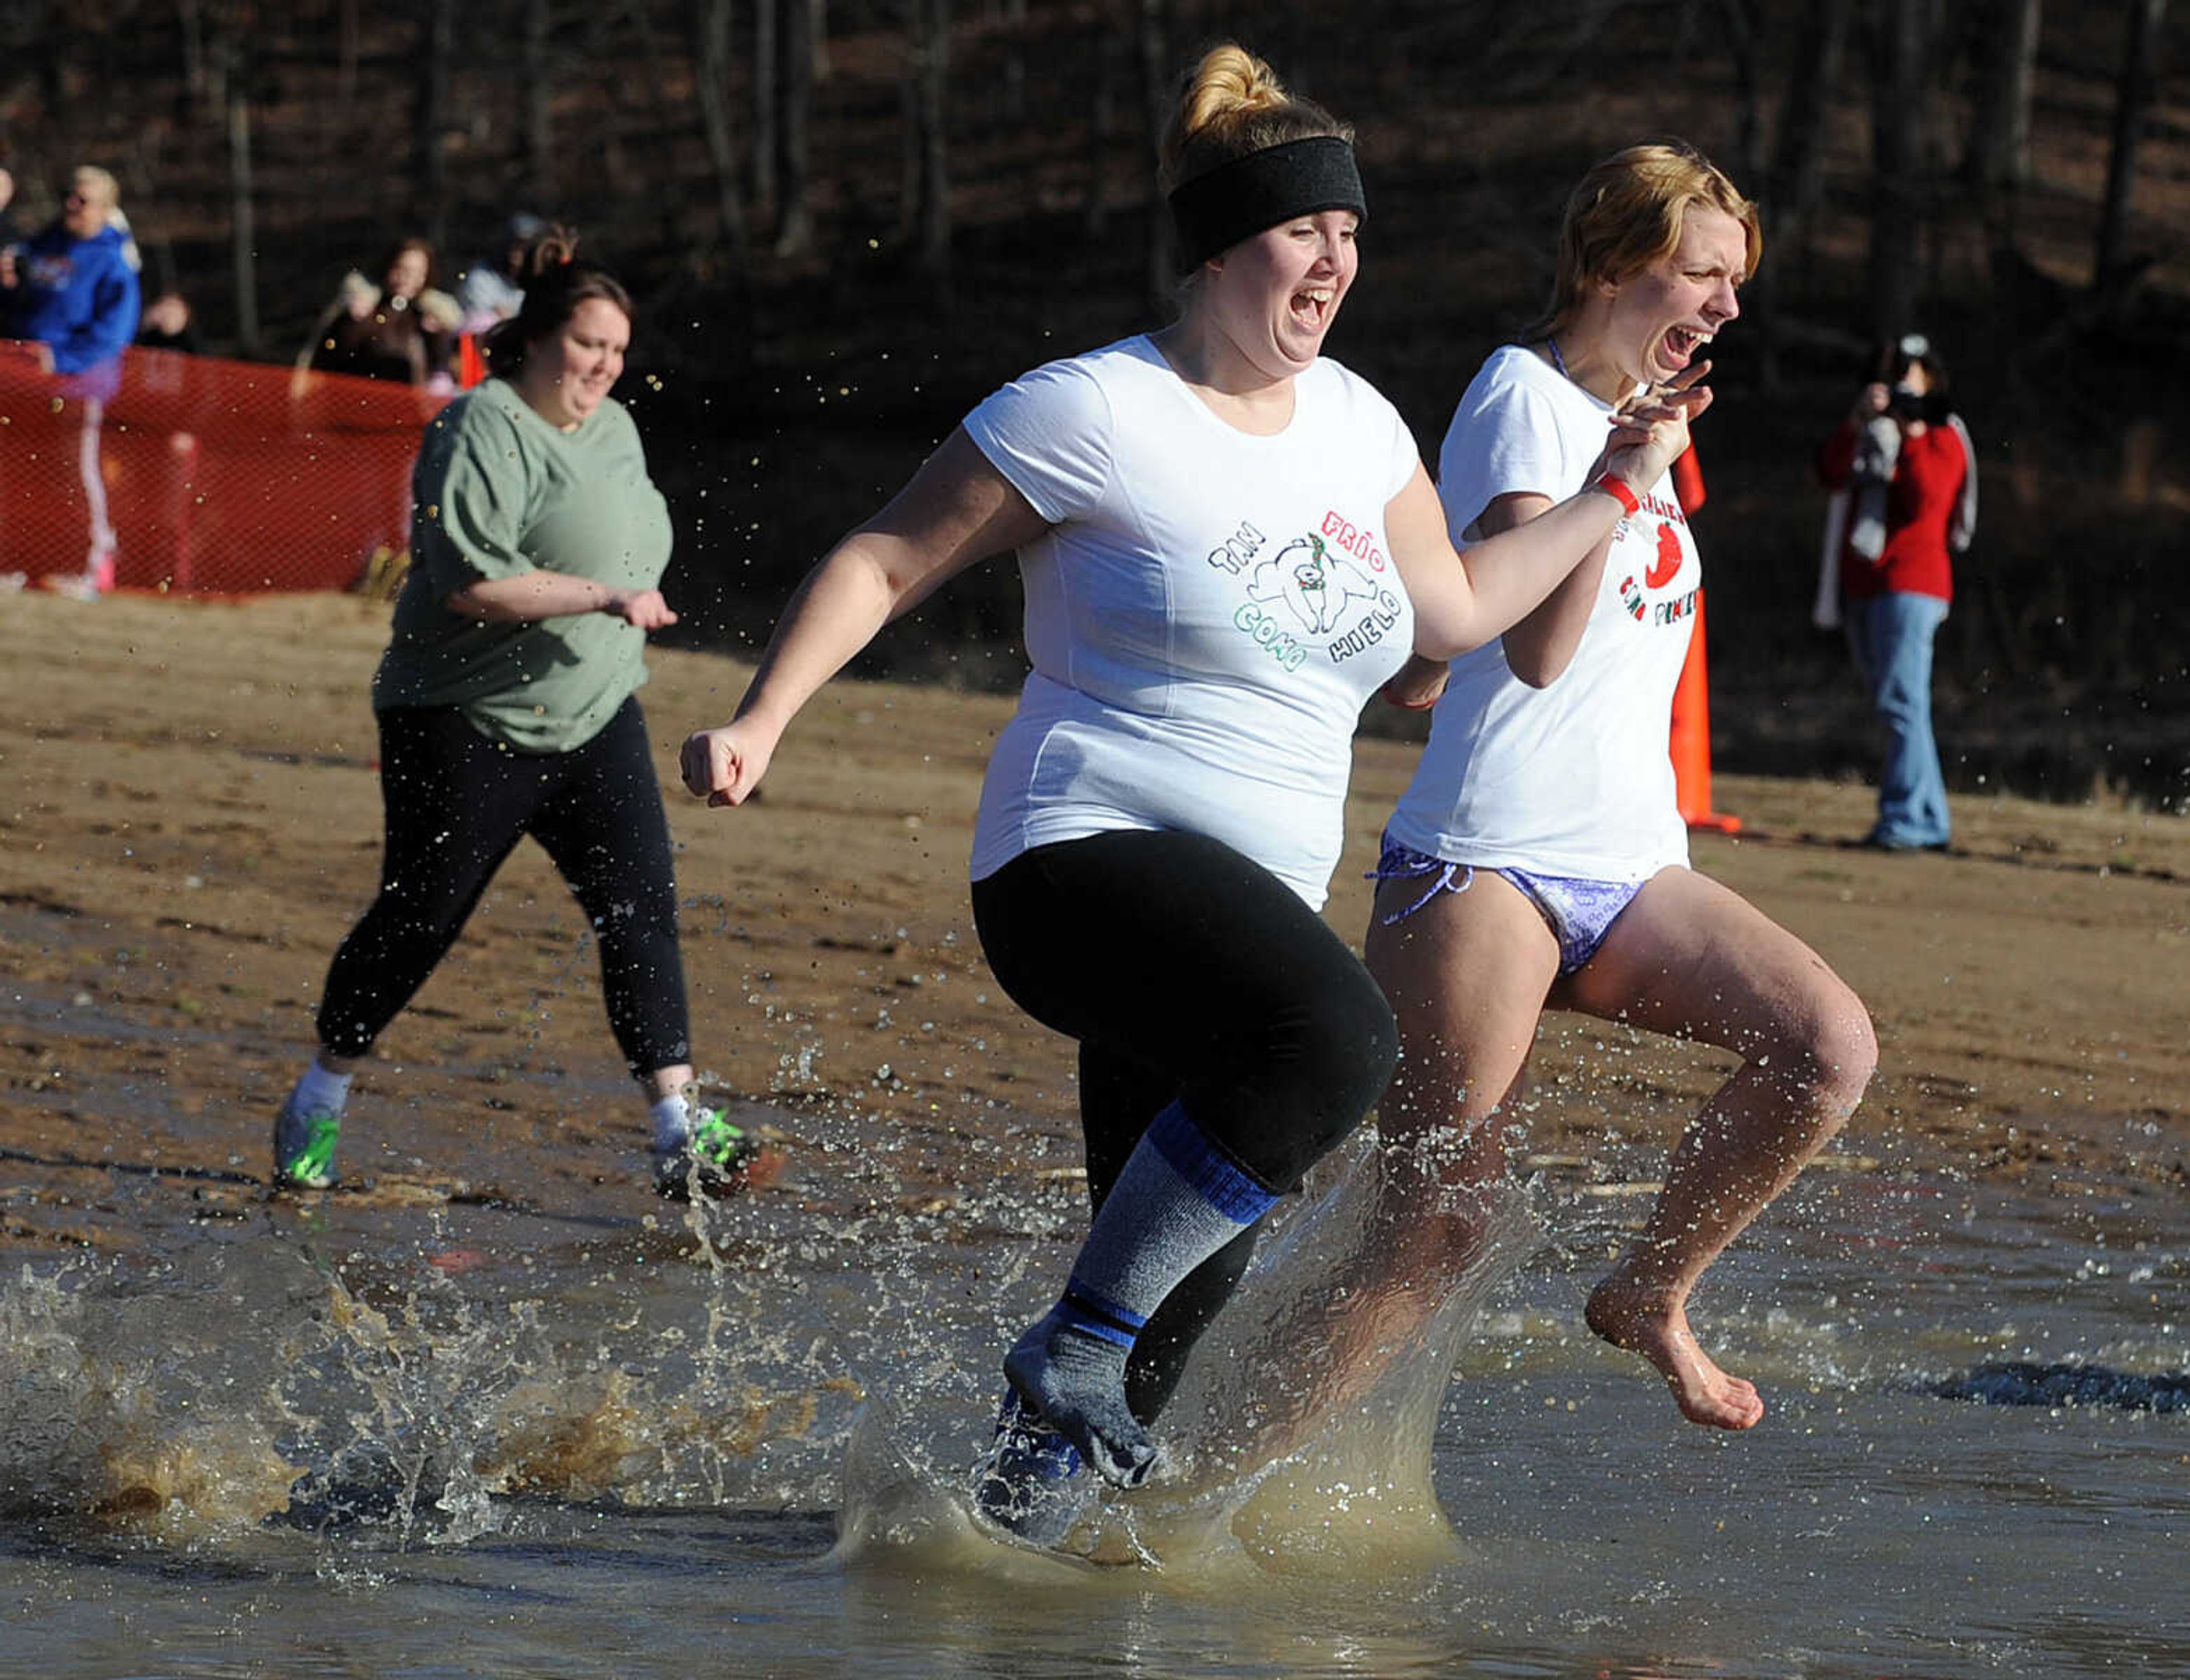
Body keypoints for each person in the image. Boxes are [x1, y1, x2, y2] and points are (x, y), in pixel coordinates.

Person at [678, 45, 1703, 1537]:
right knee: (1335, 1045)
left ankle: (1010, 1550)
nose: (1337, 264)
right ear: (1222, 248)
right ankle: (1066, 1350)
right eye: (1307, 234)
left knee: (1176, 1293)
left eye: (1353, 238)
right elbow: (888, 557)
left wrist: (1617, 488)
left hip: (1245, 915)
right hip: (1083, 858)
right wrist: (765, 716)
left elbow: (1459, 611)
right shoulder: (1093, 409)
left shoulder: (1357, 422)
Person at [1362, 141, 1877, 1435]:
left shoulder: (1625, 426)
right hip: (1485, 864)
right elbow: (1536, 643)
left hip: (1631, 869)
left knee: (1826, 1047)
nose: (1726, 307)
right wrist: (1619, 478)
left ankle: (1648, 1289)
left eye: (1734, 281)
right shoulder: (1520, 396)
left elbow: (1480, 638)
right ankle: (1192, 1490)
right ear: (1610, 263)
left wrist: (1429, 654)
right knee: (1429, 1234)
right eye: (1704, 273)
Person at [269, 232, 757, 1203]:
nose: (605, 367)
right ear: (536, 339)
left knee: (641, 904)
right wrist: (603, 596)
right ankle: (320, 1093)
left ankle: (678, 1125)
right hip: (463, 716)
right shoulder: (476, 429)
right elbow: (470, 585)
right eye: (589, 345)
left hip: (595, 708)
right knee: (422, 915)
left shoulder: (615, 427)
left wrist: (617, 608)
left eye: (618, 351)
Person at [1815, 334, 1976, 851]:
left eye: (1914, 379)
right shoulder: (1871, 430)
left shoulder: (1942, 436)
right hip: (1865, 582)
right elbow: (1829, 472)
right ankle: (1928, 819)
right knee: (1900, 705)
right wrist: (1860, 420)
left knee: (1903, 703)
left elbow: (1929, 501)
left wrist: (1911, 433)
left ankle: (1907, 820)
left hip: (1914, 583)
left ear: (1932, 384)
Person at [0, 164, 142, 598]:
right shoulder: (46, 244)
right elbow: (26, 302)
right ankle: (17, 562)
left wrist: (61, 357)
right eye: (70, 195)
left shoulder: (112, 260)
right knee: (18, 473)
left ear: (105, 209)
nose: (71, 205)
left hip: (80, 384)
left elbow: (114, 333)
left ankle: (90, 568)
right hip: (25, 381)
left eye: (83, 200)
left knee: (75, 473)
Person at [300, 237, 457, 388]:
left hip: (411, 405)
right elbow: (331, 355)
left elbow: (443, 367)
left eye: (416, 272)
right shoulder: (365, 305)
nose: (407, 279)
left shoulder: (429, 314)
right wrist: (352, 322)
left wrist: (438, 336)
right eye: (400, 269)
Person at [455, 212, 546, 334]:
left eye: (525, 249)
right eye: (514, 246)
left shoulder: (544, 280)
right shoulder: (481, 278)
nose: (517, 255)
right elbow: (480, 325)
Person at [136, 289, 201, 354]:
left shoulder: (139, 342)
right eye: (173, 307)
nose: (168, 315)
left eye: (175, 320)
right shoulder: (138, 290)